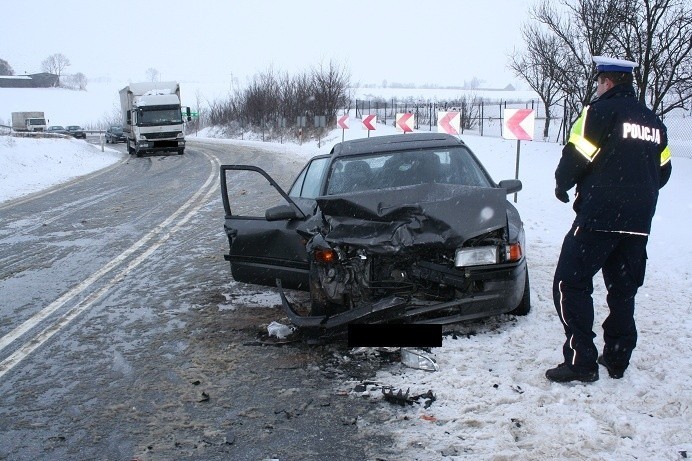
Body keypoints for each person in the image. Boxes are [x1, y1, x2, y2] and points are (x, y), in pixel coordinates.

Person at [545, 56, 672, 383]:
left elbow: (576, 156)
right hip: (638, 223)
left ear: (608, 82)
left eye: (599, 82)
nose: (597, 87)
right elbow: (664, 171)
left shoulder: (597, 113)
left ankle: (581, 361)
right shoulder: (655, 123)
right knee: (622, 290)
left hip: (599, 218)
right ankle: (617, 359)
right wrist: (636, 195)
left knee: (569, 282)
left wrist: (563, 184)